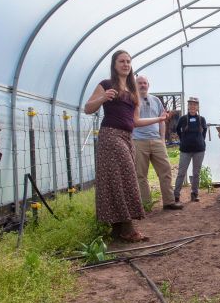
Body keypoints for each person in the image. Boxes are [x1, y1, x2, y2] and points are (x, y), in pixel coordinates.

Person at [84, 50, 167, 242]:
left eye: (128, 61)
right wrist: (103, 98)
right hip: (110, 135)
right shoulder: (106, 85)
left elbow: (135, 121)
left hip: (127, 137)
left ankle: (117, 228)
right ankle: (128, 228)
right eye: (121, 61)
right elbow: (88, 108)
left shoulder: (133, 91)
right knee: (128, 177)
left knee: (116, 180)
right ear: (114, 64)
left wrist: (159, 118)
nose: (126, 64)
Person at [132, 75, 183, 211]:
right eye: (140, 83)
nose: (142, 85)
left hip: (156, 141)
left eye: (145, 83)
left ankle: (169, 202)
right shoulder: (132, 100)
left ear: (148, 85)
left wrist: (162, 138)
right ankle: (146, 204)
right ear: (135, 85)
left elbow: (162, 120)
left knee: (165, 171)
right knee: (141, 174)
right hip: (138, 141)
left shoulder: (156, 100)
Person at [173, 97, 207, 203]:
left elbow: (204, 131)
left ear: (198, 107)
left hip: (199, 150)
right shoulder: (183, 119)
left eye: (195, 104)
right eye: (190, 104)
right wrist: (183, 139)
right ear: (188, 106)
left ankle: (194, 194)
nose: (192, 106)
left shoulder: (202, 119)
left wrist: (200, 140)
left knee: (196, 173)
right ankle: (176, 195)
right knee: (181, 173)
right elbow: (178, 129)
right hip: (185, 150)